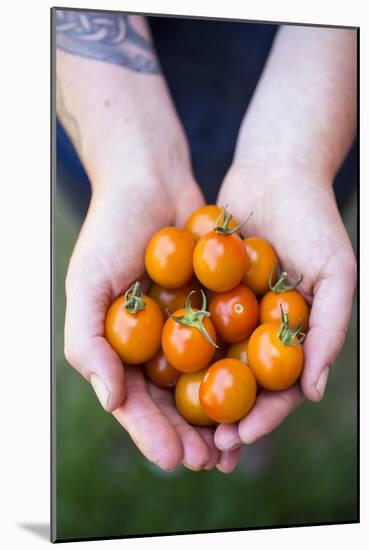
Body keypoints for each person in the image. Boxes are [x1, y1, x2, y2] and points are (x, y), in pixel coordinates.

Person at [56, 10, 357, 474]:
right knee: (111, 226)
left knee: (243, 403)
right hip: (109, 104)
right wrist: (126, 171)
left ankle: (239, 427)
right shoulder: (202, 278)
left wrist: (297, 161)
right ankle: (223, 424)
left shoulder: (232, 277)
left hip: (309, 98)